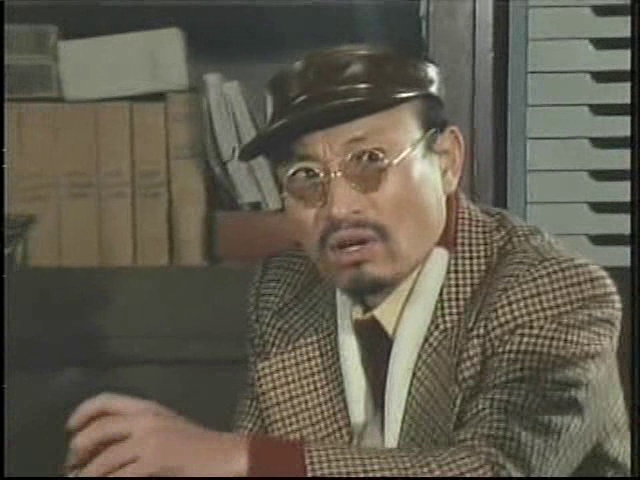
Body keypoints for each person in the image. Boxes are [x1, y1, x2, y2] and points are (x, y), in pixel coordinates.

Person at [63, 44, 630, 477]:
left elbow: (494, 469)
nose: (337, 207)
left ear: (448, 162)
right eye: (304, 177)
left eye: (370, 161)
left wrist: (239, 458)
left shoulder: (554, 291)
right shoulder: (285, 291)